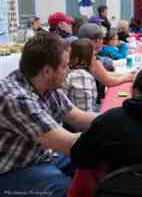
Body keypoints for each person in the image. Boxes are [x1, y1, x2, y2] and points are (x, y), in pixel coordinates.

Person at [0, 32, 97, 197]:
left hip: (40, 157)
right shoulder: (17, 99)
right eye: (65, 66)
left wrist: (119, 116)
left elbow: (77, 117)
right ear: (47, 71)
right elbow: (69, 144)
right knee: (71, 190)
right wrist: (116, 128)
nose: (68, 70)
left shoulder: (46, 85)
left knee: (93, 167)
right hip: (11, 171)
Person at [78, 23, 133, 87]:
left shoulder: (81, 54)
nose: (101, 42)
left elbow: (104, 73)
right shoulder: (90, 58)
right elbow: (108, 81)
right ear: (92, 41)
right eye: (99, 39)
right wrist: (126, 78)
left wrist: (125, 74)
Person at [63, 39, 98, 112]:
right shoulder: (81, 76)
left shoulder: (75, 74)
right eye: (93, 55)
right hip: (79, 120)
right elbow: (85, 110)